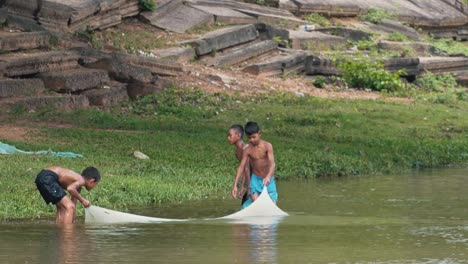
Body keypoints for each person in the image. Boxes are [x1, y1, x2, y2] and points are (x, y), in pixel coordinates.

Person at [232, 121, 278, 206]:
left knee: (272, 205)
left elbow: (272, 164)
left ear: (259, 133)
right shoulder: (247, 150)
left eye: (254, 137)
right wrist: (235, 185)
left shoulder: (267, 146)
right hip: (255, 179)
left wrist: (268, 176)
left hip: (269, 179)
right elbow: (241, 167)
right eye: (249, 138)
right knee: (256, 204)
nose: (252, 140)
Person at [35, 166, 100, 224]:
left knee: (63, 208)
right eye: (96, 184)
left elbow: (73, 206)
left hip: (43, 177)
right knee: (69, 206)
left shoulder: (78, 186)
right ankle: (67, 235)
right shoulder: (81, 180)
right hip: (47, 177)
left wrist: (72, 222)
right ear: (92, 181)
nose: (95, 186)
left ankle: (60, 231)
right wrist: (83, 200)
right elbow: (70, 188)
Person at [227, 124, 251, 207]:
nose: (228, 138)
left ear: (238, 136)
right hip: (251, 182)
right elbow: (244, 169)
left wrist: (248, 188)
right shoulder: (237, 152)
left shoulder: (246, 148)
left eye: (230, 135)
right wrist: (241, 187)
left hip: (258, 182)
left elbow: (248, 169)